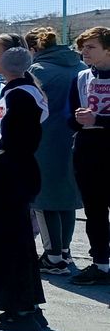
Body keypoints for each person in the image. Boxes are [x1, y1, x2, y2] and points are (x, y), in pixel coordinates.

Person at [0, 41, 49, 331]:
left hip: (9, 175)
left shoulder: (20, 94)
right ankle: (27, 306)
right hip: (10, 173)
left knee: (5, 242)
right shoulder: (15, 90)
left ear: (13, 57)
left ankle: (19, 310)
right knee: (15, 240)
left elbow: (16, 140)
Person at [25, 27, 82, 275]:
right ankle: (64, 251)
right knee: (66, 198)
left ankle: (53, 256)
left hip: (44, 140)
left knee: (44, 199)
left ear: (33, 49)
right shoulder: (81, 67)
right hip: (75, 139)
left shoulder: (37, 70)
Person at [66, 26, 110, 287]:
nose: (85, 51)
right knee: (94, 210)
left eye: (91, 47)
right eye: (82, 47)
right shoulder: (81, 77)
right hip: (87, 149)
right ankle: (100, 264)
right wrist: (77, 119)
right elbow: (71, 116)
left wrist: (99, 120)